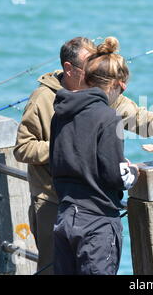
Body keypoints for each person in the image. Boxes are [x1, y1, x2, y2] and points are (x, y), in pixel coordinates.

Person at [14, 36, 153, 274]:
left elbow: (136, 116)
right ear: (68, 69)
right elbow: (23, 147)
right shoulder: (44, 99)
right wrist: (70, 148)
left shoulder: (103, 93)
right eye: (88, 67)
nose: (93, 73)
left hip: (91, 203)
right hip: (52, 200)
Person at [50, 36, 137, 274]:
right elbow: (114, 176)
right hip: (97, 224)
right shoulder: (108, 118)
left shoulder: (60, 113)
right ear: (118, 85)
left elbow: (57, 160)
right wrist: (132, 172)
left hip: (65, 218)